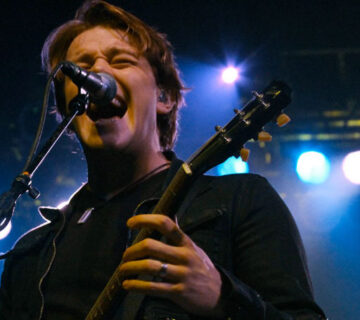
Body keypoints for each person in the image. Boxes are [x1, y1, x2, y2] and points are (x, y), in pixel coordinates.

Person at [0, 1, 327, 319]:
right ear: (66, 109)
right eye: (81, 68)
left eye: (120, 61)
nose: (96, 72)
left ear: (164, 97)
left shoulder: (239, 200)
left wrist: (222, 298)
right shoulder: (31, 251)